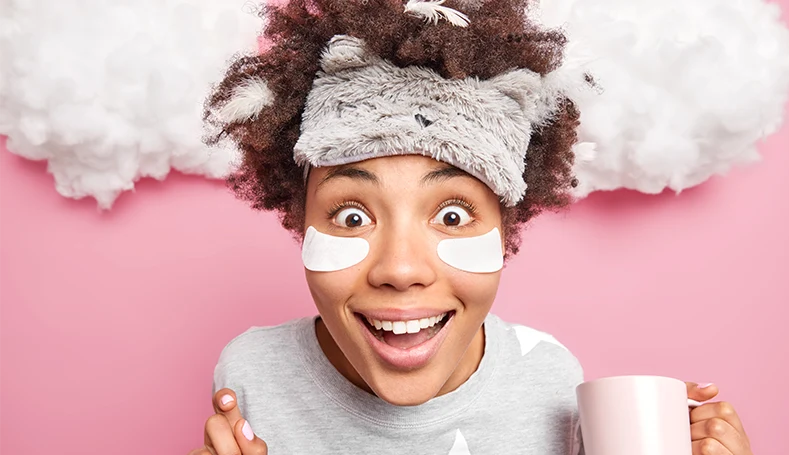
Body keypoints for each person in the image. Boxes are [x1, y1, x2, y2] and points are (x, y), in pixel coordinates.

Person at [190, 1, 754, 454]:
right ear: (300, 217)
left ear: (505, 227)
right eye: (352, 216)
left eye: (453, 216)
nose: (400, 269)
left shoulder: (550, 380)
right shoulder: (252, 376)